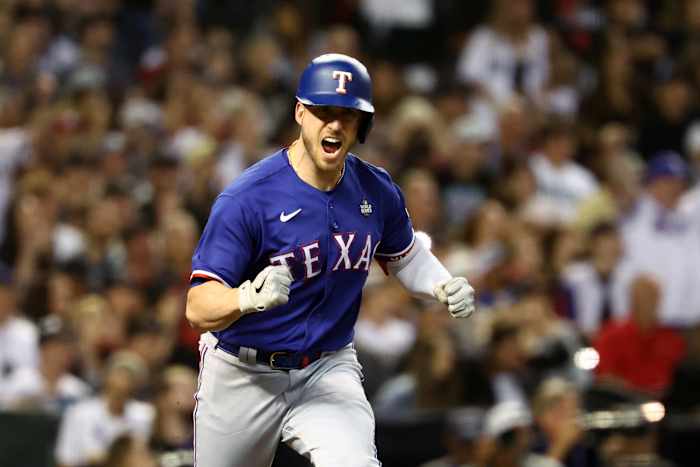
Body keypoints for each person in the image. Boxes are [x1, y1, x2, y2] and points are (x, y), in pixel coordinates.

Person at [186, 53, 476, 467]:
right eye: (324, 111)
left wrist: (441, 284)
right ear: (300, 113)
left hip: (327, 369)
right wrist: (245, 299)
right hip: (242, 373)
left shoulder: (375, 190)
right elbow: (197, 307)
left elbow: (406, 257)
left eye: (348, 114)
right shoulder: (248, 198)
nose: (335, 124)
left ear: (363, 125)